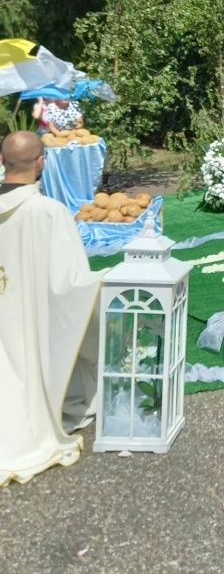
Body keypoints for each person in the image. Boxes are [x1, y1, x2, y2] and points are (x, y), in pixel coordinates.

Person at [0, 131, 103, 488]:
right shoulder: (49, 212)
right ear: (41, 162)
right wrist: (105, 281)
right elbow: (70, 286)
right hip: (31, 331)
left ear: (2, 162)